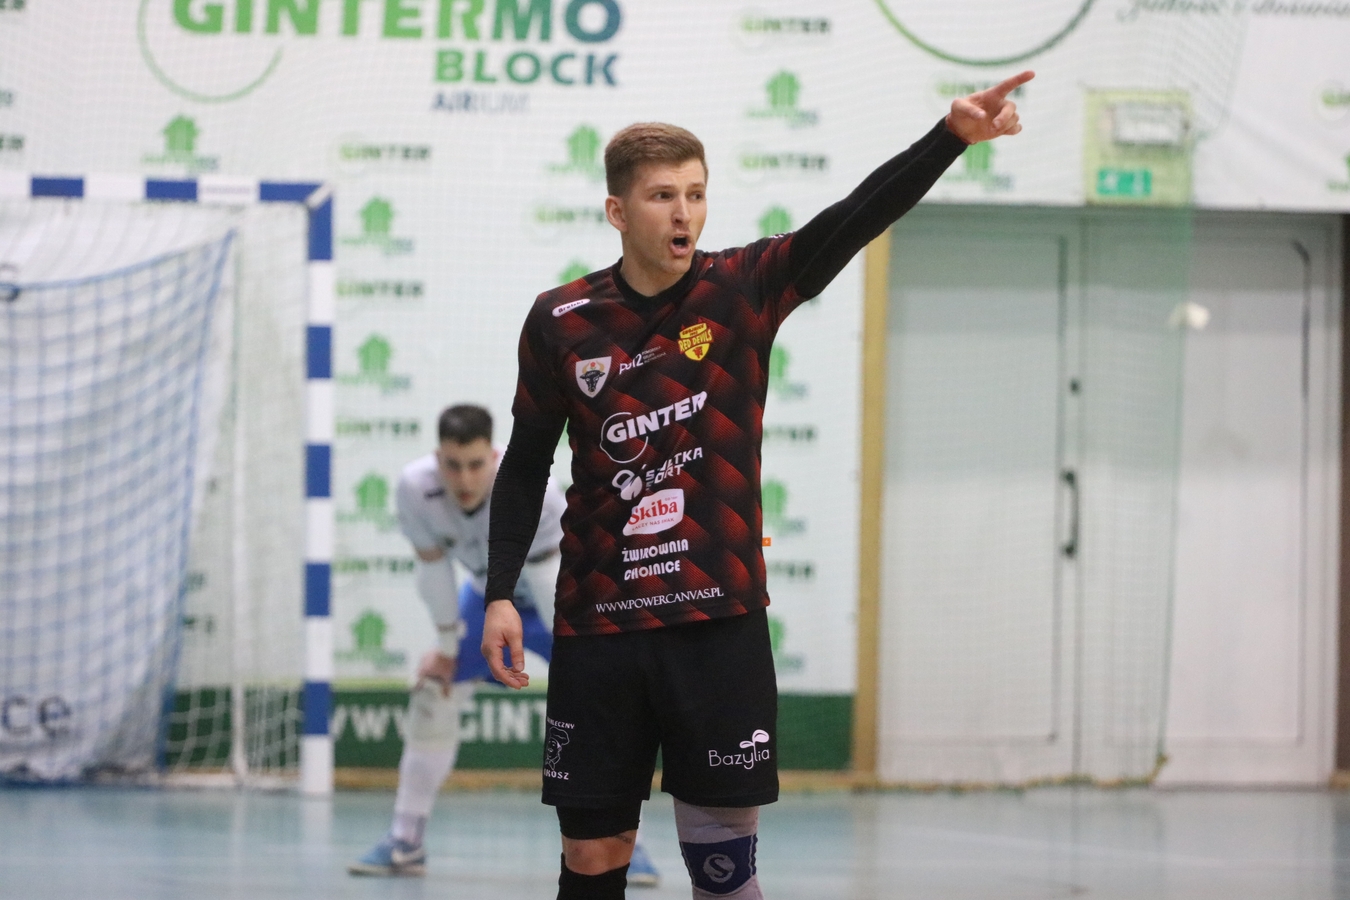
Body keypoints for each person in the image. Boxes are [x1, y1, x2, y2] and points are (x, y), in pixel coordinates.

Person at [482, 73, 1034, 899]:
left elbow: (855, 217)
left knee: (722, 872)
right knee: (593, 860)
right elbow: (527, 463)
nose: (684, 213)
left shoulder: (743, 289)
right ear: (617, 211)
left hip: (717, 625)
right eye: (663, 196)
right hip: (600, 629)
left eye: (696, 194)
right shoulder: (562, 320)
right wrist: (499, 591)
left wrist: (949, 137)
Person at [347, 404, 663, 885]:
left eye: (475, 465)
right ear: (437, 457)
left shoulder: (534, 489)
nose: (464, 479)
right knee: (434, 691)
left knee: (601, 707)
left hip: (562, 602)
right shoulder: (415, 488)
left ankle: (626, 845)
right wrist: (447, 648)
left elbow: (548, 584)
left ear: (493, 456)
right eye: (453, 465)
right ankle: (405, 841)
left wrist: (581, 663)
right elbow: (433, 569)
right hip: (489, 601)